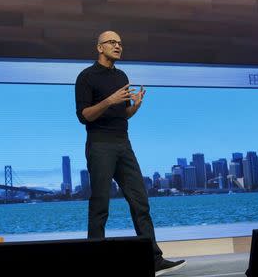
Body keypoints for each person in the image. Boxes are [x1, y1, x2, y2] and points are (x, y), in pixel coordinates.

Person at [75, 31, 186, 276]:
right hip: (100, 144)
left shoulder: (121, 76)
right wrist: (108, 100)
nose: (118, 46)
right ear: (99, 47)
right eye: (112, 42)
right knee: (100, 205)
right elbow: (84, 116)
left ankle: (153, 261)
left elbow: (121, 114)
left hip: (123, 144)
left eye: (120, 43)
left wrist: (133, 107)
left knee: (140, 202)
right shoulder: (86, 77)